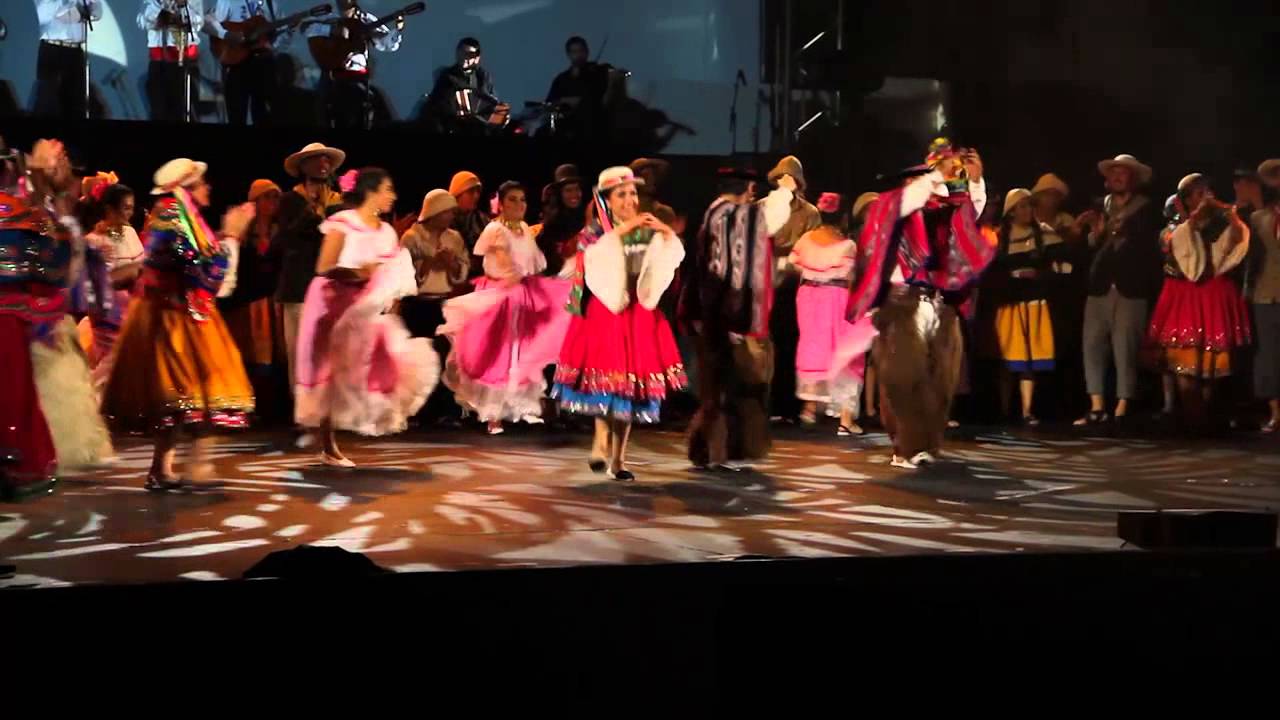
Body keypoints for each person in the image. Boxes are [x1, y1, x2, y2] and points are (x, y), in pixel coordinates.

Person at [101, 157, 256, 490]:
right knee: (198, 389)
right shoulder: (171, 214)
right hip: (173, 315)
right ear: (187, 187)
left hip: (183, 310)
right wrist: (229, 237)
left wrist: (226, 241)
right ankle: (196, 467)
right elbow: (195, 267)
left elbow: (200, 263)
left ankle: (162, 469)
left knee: (185, 396)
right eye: (202, 182)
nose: (208, 187)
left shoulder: (184, 215)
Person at [844, 139, 997, 469]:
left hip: (938, 305)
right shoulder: (890, 207)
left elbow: (970, 216)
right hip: (901, 304)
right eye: (925, 179)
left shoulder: (939, 215)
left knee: (938, 380)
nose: (934, 185)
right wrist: (935, 173)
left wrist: (973, 180)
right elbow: (909, 200)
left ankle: (925, 443)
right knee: (903, 378)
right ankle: (905, 446)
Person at [294, 167, 439, 467]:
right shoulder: (344, 223)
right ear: (371, 191)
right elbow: (324, 266)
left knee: (378, 362)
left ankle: (355, 424)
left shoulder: (386, 231)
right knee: (330, 373)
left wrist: (389, 297)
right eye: (387, 189)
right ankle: (327, 442)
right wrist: (358, 272)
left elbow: (391, 271)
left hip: (364, 306)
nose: (392, 196)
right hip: (331, 303)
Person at [553, 167, 686, 481]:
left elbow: (667, 261)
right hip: (605, 312)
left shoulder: (647, 228)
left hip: (638, 313)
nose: (630, 200)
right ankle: (600, 442)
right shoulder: (595, 233)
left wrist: (667, 235)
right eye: (622, 194)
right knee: (606, 381)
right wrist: (624, 232)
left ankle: (619, 459)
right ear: (608, 201)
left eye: (633, 193)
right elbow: (593, 261)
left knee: (630, 387)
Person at [0, 139, 105, 496]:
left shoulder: (19, 209)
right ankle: (15, 468)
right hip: (9, 318)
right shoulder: (13, 212)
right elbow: (55, 264)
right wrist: (52, 195)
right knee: (14, 392)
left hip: (18, 317)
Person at [679, 167, 792, 470]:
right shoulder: (736, 217)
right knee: (729, 386)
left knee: (716, 386)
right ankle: (719, 453)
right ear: (750, 189)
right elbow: (736, 272)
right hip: (724, 315)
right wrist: (737, 320)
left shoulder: (710, 213)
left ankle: (709, 452)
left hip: (705, 313)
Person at [438, 182, 573, 434]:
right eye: (513, 199)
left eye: (522, 199)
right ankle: (493, 414)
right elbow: (497, 260)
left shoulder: (523, 228)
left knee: (521, 353)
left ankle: (520, 407)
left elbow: (533, 262)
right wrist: (509, 274)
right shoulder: (494, 229)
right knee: (498, 355)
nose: (519, 205)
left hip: (521, 295)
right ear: (500, 203)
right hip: (498, 295)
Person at [1146, 174, 1251, 428]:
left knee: (1210, 361)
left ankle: (1202, 417)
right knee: (1184, 358)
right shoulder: (1172, 229)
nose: (1203, 197)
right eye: (1196, 193)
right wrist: (1194, 219)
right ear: (1183, 199)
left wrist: (1229, 214)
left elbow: (1235, 245)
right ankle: (1191, 416)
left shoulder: (1218, 224)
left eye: (1206, 191)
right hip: (1182, 295)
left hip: (1212, 294)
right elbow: (1185, 257)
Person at [1074, 154, 1164, 426]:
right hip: (1100, 286)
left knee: (1125, 347)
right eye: (1113, 172)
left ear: (1133, 178)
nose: (1116, 176)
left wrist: (1125, 233)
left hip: (1131, 286)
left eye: (1122, 172)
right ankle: (1097, 404)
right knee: (1092, 344)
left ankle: (1124, 404)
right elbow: (1089, 248)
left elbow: (1150, 250)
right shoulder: (1099, 207)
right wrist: (1094, 233)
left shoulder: (1147, 209)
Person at [790, 191, 870, 436]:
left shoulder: (805, 239)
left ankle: (810, 408)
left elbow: (794, 265)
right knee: (846, 352)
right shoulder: (847, 245)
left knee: (814, 348)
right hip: (837, 300)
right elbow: (851, 277)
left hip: (809, 299)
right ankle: (846, 418)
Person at [987, 188, 1070, 425]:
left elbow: (1066, 265)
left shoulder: (1043, 234)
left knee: (1029, 360)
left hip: (1034, 304)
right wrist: (1012, 275)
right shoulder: (1000, 237)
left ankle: (1026, 411)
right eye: (1021, 206)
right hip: (1008, 305)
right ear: (1011, 212)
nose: (1027, 211)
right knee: (1006, 358)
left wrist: (1040, 274)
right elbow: (991, 273)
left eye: (1029, 206)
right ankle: (1004, 411)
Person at [275, 142, 346, 399]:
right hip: (299, 287)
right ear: (303, 166)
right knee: (300, 350)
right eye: (317, 160)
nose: (323, 164)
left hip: (330, 286)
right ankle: (303, 411)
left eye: (326, 160)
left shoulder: (338, 202)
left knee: (330, 350)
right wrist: (315, 211)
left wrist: (328, 210)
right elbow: (288, 237)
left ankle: (328, 410)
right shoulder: (290, 200)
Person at [400, 188, 469, 421]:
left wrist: (451, 265)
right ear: (435, 211)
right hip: (417, 305)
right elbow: (402, 271)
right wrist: (428, 263)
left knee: (444, 358)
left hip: (443, 304)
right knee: (419, 360)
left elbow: (462, 271)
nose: (451, 216)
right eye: (447, 211)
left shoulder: (454, 238)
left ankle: (445, 411)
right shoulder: (412, 237)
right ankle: (418, 411)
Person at [221, 179, 284, 421]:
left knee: (273, 356)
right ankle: (245, 407)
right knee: (248, 354)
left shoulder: (280, 230)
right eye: (267, 197)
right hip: (246, 302)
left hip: (271, 300)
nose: (272, 203)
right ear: (255, 201)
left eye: (275, 197)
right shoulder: (244, 231)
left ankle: (270, 409)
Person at [764, 156, 821, 422]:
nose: (786, 182)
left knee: (790, 345)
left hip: (796, 286)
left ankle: (787, 406)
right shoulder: (762, 207)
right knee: (763, 345)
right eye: (782, 177)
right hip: (764, 285)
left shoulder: (809, 212)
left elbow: (813, 245)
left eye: (791, 178)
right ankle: (765, 404)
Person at [81, 177, 143, 392]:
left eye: (131, 208)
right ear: (109, 209)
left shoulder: (130, 233)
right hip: (108, 310)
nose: (130, 213)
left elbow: (140, 268)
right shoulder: (93, 240)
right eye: (125, 208)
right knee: (114, 359)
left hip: (132, 306)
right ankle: (87, 398)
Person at [305, 0, 402, 129]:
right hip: (335, 75)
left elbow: (388, 44)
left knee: (376, 107)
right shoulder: (328, 16)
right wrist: (332, 29)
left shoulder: (365, 18)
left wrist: (396, 31)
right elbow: (307, 29)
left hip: (360, 77)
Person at [204, 0, 293, 126]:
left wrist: (277, 41)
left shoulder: (271, 4)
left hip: (264, 63)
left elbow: (281, 35)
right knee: (237, 114)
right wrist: (231, 35)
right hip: (237, 63)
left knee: (265, 114)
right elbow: (211, 25)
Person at [1248, 159, 1280, 433]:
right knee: (1269, 354)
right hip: (1266, 293)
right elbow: (1253, 259)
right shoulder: (1259, 218)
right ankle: (1275, 413)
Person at [424, 37, 510, 135]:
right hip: (454, 127)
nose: (465, 57)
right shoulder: (447, 76)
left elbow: (493, 100)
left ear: (477, 58)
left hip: (479, 129)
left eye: (470, 54)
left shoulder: (483, 76)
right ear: (457, 53)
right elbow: (435, 104)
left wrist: (501, 118)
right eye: (461, 52)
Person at [138, 0, 205, 123]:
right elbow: (142, 22)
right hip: (159, 60)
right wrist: (159, 4)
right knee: (159, 110)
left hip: (186, 58)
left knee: (184, 108)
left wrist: (183, 6)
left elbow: (198, 23)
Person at [34, 1, 103, 118]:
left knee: (78, 102)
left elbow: (98, 11)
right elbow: (43, 15)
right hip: (52, 49)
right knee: (49, 102)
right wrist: (70, 9)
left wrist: (82, 11)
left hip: (75, 51)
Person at [545, 36, 609, 142]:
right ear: (568, 55)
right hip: (567, 128)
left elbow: (604, 97)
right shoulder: (561, 79)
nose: (578, 55)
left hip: (594, 127)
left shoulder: (599, 72)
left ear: (587, 52)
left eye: (581, 51)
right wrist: (563, 101)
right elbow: (550, 102)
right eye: (574, 52)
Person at [535, 164, 587, 277]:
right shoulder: (551, 224)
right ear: (560, 194)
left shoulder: (587, 215)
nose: (574, 194)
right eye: (568, 190)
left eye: (577, 189)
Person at [449, 170, 488, 259]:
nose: (476, 196)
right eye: (470, 191)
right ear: (457, 194)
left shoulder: (482, 220)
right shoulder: (444, 220)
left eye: (478, 191)